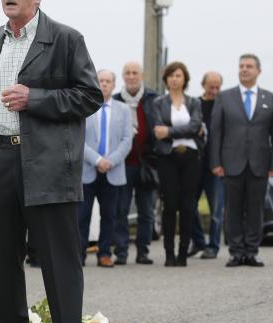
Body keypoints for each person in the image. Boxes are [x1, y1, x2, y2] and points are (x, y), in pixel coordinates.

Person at [0, 0, 101, 323]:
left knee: (59, 261)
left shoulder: (64, 39)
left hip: (46, 164)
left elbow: (89, 95)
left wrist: (36, 98)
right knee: (2, 261)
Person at [210, 54, 273, 267]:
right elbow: (216, 132)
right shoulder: (225, 97)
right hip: (231, 163)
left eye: (249, 66)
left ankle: (251, 251)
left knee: (255, 209)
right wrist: (216, 162)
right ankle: (236, 252)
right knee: (232, 209)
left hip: (259, 164)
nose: (244, 69)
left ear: (258, 71)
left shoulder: (270, 98)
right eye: (241, 66)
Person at [78, 70, 133, 268]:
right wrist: (97, 160)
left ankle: (104, 253)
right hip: (88, 170)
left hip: (113, 170)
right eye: (100, 81)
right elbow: (79, 139)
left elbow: (127, 140)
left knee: (110, 216)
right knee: (82, 216)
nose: (104, 84)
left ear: (114, 84)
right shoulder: (85, 107)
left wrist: (110, 161)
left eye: (108, 81)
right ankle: (79, 254)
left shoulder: (123, 109)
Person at [151, 62, 203, 267]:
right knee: (170, 205)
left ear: (185, 79)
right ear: (166, 80)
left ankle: (183, 253)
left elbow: (196, 126)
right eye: (171, 76)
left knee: (188, 206)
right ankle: (169, 253)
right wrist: (186, 130)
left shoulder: (194, 103)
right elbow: (157, 131)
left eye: (178, 76)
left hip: (191, 158)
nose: (174, 79)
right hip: (167, 158)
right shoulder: (158, 103)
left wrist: (170, 132)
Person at [112, 61, 158, 265]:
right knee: (120, 209)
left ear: (142, 76)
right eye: (127, 73)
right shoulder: (114, 100)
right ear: (123, 76)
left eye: (135, 73)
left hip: (146, 164)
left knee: (146, 211)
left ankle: (143, 251)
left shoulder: (153, 99)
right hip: (122, 164)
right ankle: (121, 251)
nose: (131, 76)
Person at [188, 71, 225, 259]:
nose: (214, 90)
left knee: (216, 209)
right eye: (211, 86)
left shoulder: (224, 105)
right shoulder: (194, 104)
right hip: (195, 163)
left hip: (216, 165)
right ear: (203, 85)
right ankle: (198, 241)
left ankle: (214, 246)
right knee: (189, 204)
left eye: (218, 87)